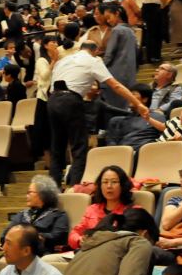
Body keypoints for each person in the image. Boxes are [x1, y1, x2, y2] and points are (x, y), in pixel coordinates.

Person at [48, 46, 148, 186]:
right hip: (70, 100)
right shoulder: (93, 61)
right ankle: (74, 189)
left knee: (57, 149)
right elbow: (116, 85)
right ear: (94, 52)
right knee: (79, 149)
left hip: (52, 100)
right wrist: (138, 104)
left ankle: (52, 190)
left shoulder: (63, 60)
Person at [68, 166, 139, 249]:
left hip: (115, 255)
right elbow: (74, 233)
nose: (109, 186)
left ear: (123, 185)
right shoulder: (92, 209)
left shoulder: (134, 211)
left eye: (114, 182)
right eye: (105, 182)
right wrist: (79, 240)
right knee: (49, 259)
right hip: (87, 253)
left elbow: (147, 235)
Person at [0, 175, 69, 254]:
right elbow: (5, 234)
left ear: (43, 194)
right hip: (18, 252)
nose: (26, 196)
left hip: (43, 253)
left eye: (29, 192)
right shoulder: (22, 214)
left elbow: (58, 237)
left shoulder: (58, 215)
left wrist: (34, 237)